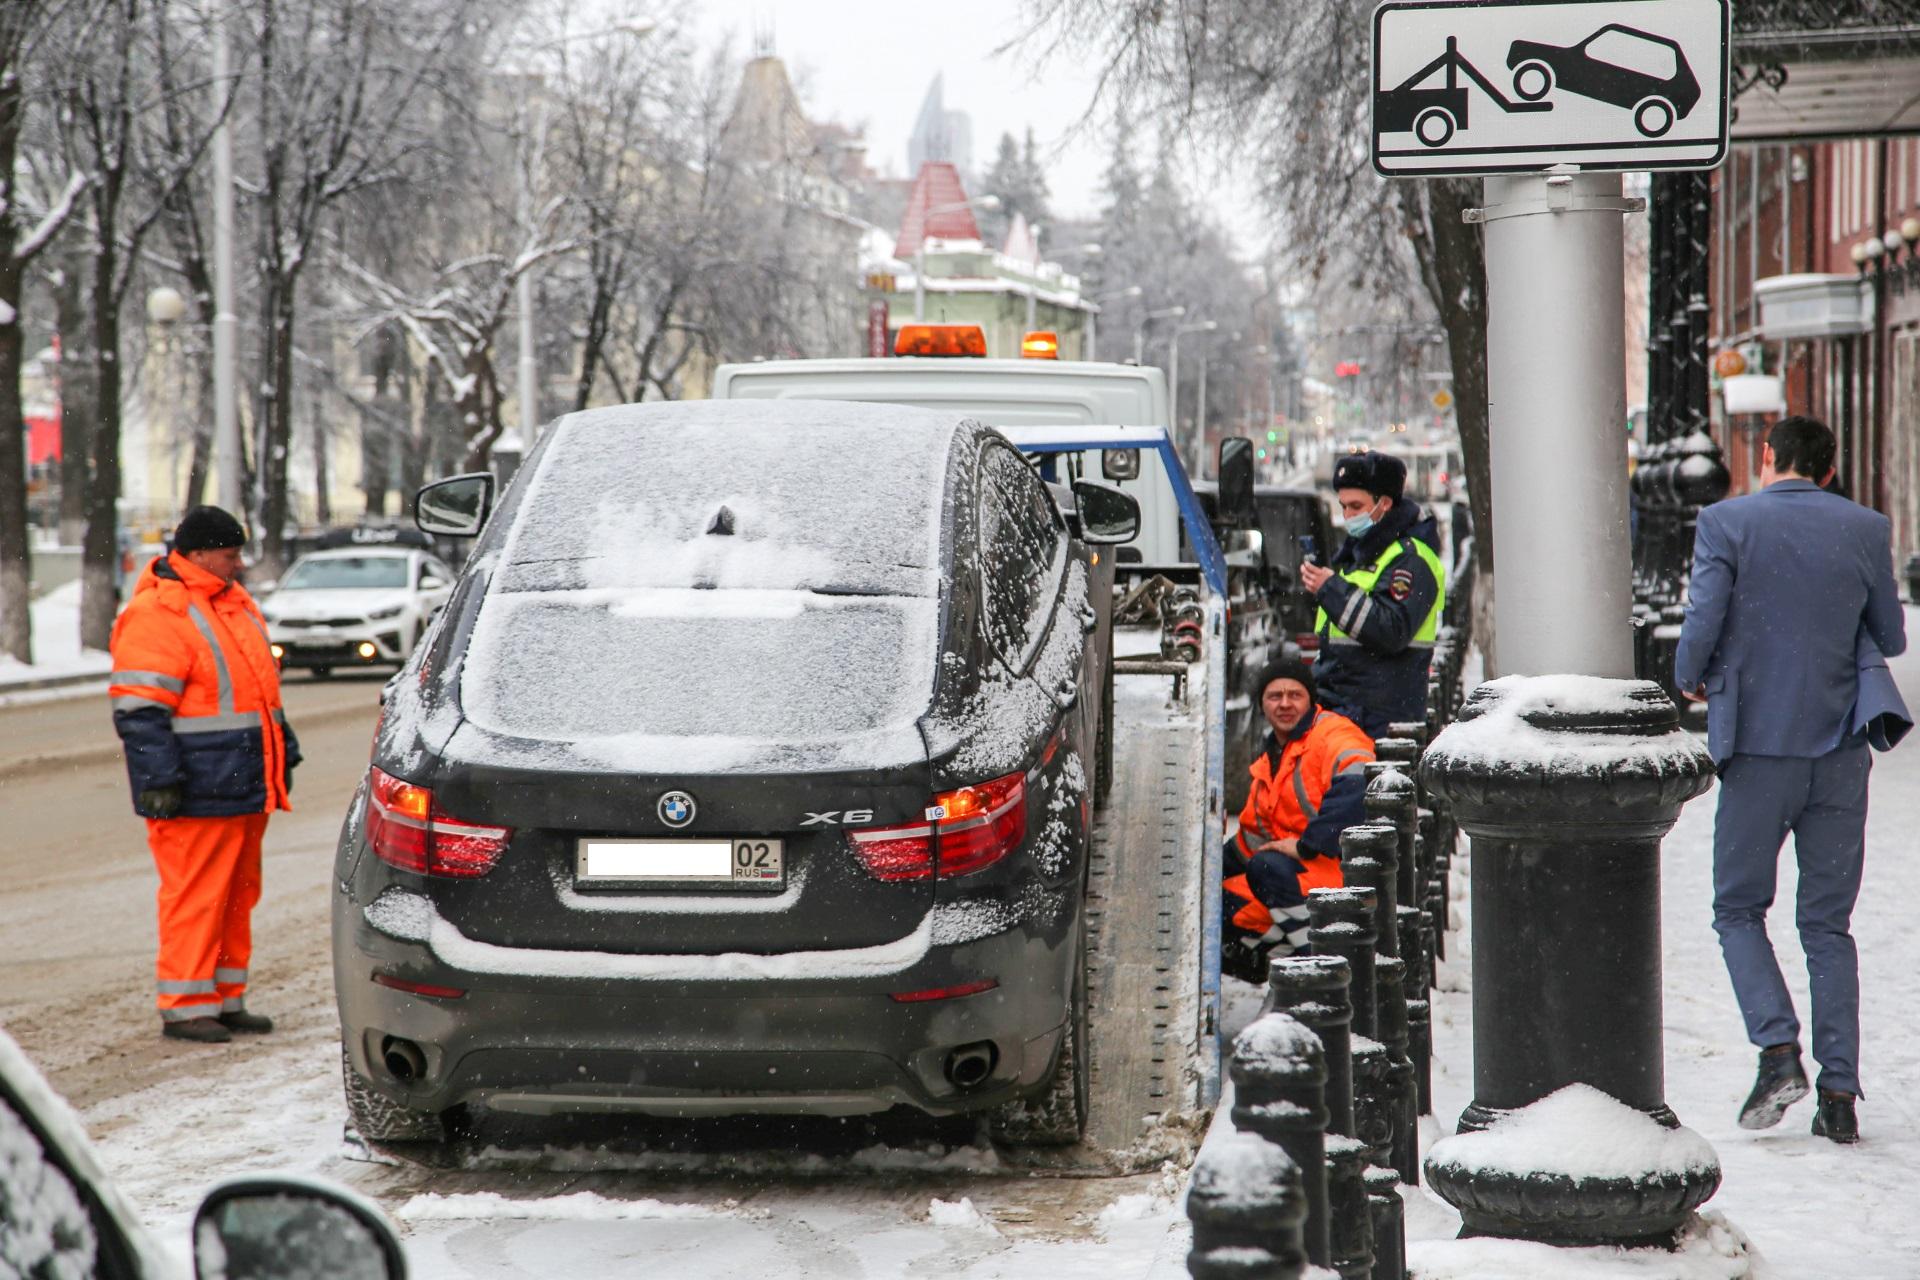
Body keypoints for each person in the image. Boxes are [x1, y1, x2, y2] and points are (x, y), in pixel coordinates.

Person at [1675, 415, 1908, 1144]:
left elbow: (1703, 618)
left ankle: (1778, 1050)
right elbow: (1893, 635)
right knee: (1827, 925)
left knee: (1739, 908)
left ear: (1767, 457)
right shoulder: (1865, 528)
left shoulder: (1725, 522)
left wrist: (1691, 676)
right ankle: (1839, 1092)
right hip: (1841, 751)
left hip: (1757, 749)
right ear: (1829, 470)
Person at [108, 506, 300, 1044]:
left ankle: (224, 997)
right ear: (196, 555)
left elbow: (258, 696)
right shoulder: (160, 612)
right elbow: (139, 711)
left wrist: (283, 746)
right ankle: (186, 1004)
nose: (238, 565)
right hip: (194, 786)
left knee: (237, 894)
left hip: (240, 780)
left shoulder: (232, 605)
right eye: (230, 555)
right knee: (196, 896)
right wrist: (159, 780)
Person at [1221, 658, 1376, 983]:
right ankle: (1282, 962)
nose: (1285, 704)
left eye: (1295, 695)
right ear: (1262, 705)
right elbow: (1253, 837)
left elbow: (1358, 784)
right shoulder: (1271, 759)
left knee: (1266, 867)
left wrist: (1308, 845)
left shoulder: (1332, 733)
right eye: (1275, 696)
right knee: (1217, 904)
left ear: (1310, 700)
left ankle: (1321, 968)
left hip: (1338, 874)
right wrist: (1206, 872)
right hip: (1301, 877)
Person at [1300, 451, 1447, 737]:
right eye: (1343, 507)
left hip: (1381, 721)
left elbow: (1390, 630)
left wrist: (1329, 589)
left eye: (1356, 506)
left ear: (1385, 503)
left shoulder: (1411, 558)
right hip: (1346, 713)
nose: (1348, 516)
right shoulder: (1359, 554)